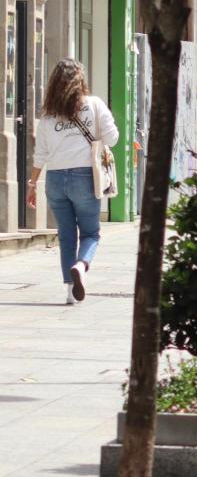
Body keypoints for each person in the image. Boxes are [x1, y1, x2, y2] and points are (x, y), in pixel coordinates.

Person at [28, 59, 120, 305]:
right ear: (80, 81)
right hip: (85, 177)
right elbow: (113, 138)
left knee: (66, 235)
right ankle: (81, 265)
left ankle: (70, 292)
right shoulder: (95, 105)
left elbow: (41, 154)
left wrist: (32, 185)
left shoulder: (48, 115)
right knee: (91, 233)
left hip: (55, 180)